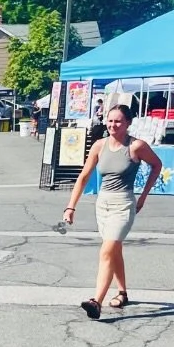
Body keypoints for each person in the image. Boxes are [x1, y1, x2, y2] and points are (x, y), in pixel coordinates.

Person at [62, 104, 162, 319]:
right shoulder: (99, 145)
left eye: (118, 121)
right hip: (103, 204)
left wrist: (143, 196)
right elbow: (84, 177)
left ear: (128, 123)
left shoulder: (136, 146)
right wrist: (71, 206)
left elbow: (157, 165)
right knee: (114, 250)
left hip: (123, 204)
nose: (113, 125)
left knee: (107, 251)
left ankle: (96, 302)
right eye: (110, 120)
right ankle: (122, 293)